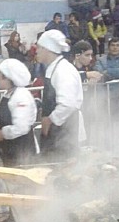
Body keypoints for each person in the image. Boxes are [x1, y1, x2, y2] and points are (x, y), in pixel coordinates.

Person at [0, 59, 37, 222]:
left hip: (21, 151)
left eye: (0, 76)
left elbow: (21, 127)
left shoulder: (21, 97)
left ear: (8, 78)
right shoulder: (8, 95)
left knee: (22, 190)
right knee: (14, 189)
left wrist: (3, 133)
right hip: (9, 151)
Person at [36, 30, 85, 162]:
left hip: (64, 132)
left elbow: (68, 104)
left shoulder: (63, 71)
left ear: (48, 49)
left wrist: (50, 120)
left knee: (63, 169)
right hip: (56, 131)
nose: (36, 51)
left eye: (39, 47)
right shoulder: (55, 68)